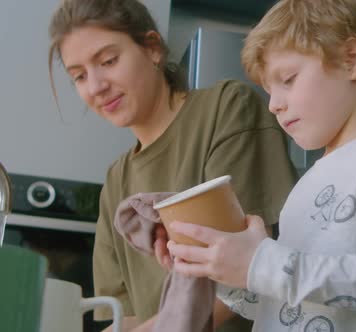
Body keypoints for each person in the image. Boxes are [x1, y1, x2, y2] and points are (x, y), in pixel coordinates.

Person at [162, 0, 356, 330]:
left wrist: (266, 263)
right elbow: (286, 301)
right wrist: (226, 268)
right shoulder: (309, 180)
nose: (273, 105)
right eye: (269, 90)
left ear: (352, 60)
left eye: (287, 79)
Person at [48, 0, 298, 331]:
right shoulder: (115, 182)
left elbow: (243, 275)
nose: (95, 86)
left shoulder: (226, 108)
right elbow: (124, 317)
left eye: (108, 61)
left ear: (152, 48)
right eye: (79, 76)